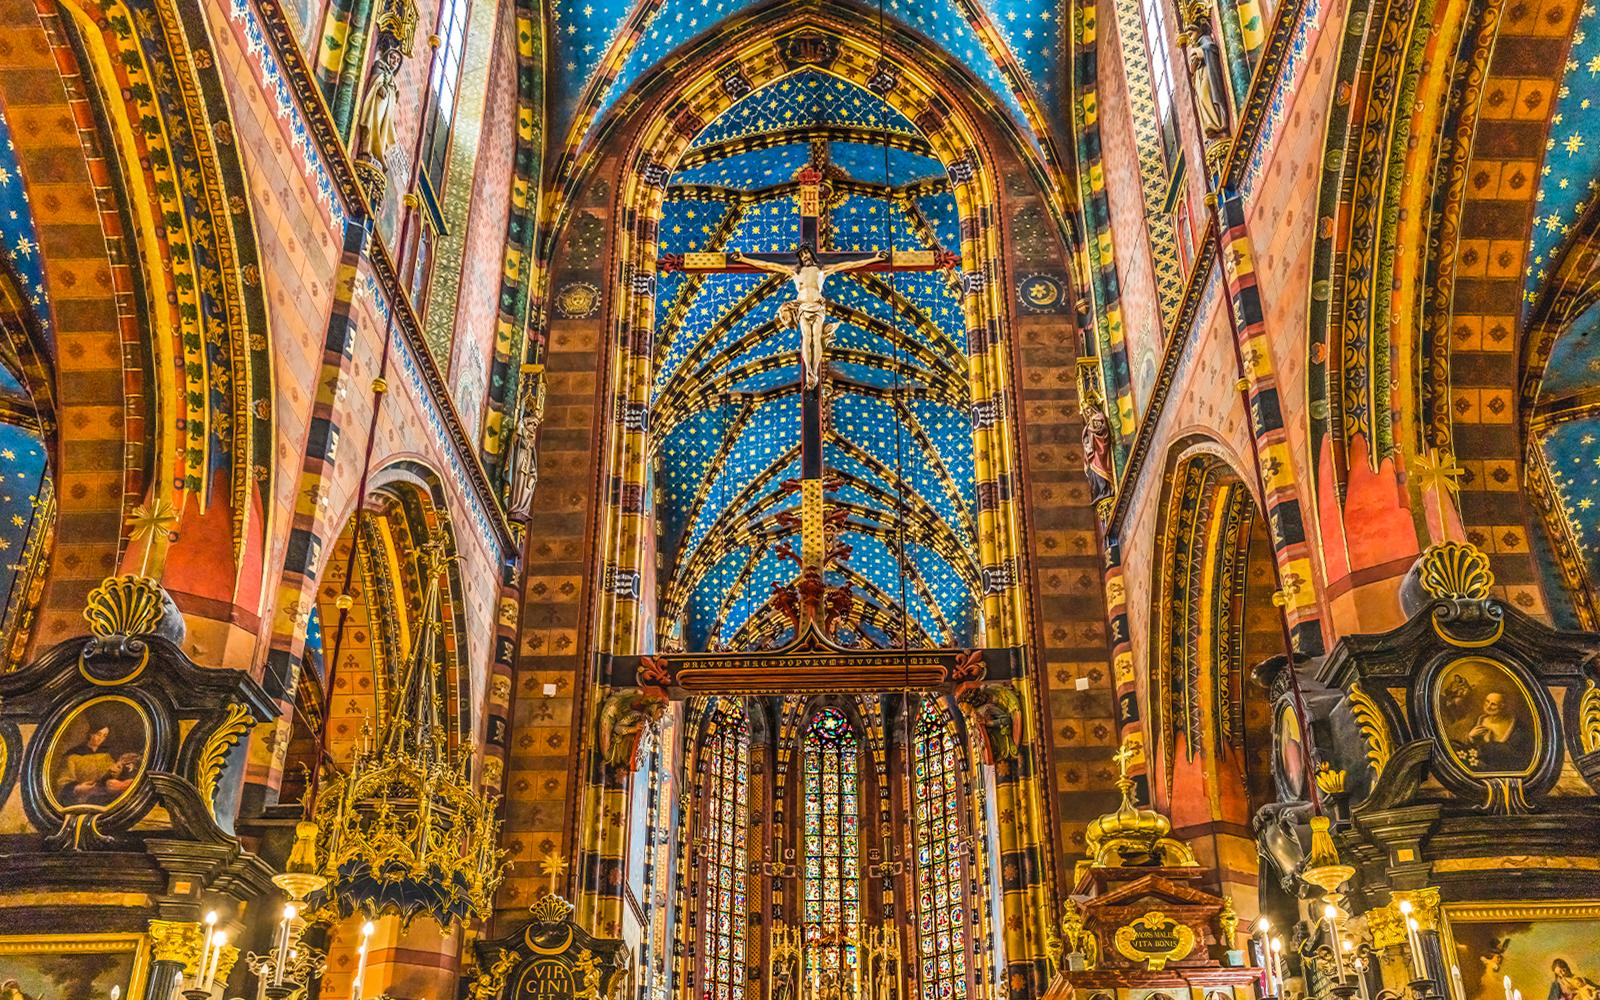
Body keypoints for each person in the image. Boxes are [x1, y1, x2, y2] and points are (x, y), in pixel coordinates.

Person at [735, 244, 889, 388]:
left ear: (811, 255)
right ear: (800, 259)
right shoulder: (795, 272)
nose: (805, 257)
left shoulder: (822, 271)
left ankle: (814, 370)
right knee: (807, 337)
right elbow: (769, 265)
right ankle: (809, 369)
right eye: (802, 256)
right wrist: (743, 259)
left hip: (818, 307)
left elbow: (849, 264)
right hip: (803, 307)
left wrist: (875, 259)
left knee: (816, 338)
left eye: (807, 253)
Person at [55, 709, 142, 806]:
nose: (101, 738)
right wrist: (78, 789)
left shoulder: (106, 755)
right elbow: (61, 785)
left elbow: (107, 779)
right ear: (91, 734)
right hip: (80, 802)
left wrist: (116, 773)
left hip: (103, 800)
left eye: (104, 736)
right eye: (99, 734)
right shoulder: (72, 755)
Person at [1463, 691, 1534, 771]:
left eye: (1493, 704)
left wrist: (1488, 742)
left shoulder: (1516, 725)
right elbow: (1471, 750)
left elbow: (1514, 755)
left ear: (1503, 706)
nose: (1488, 706)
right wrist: (1471, 737)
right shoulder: (1480, 719)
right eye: (1487, 702)